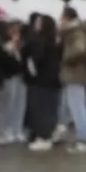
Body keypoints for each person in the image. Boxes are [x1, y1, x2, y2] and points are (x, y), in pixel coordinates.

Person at [22, 14, 61, 151]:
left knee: (39, 109)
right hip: (53, 80)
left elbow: (34, 61)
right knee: (50, 108)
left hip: (40, 81)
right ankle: (49, 133)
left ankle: (43, 137)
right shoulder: (54, 40)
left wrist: (31, 75)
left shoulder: (38, 40)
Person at [59, 7, 86, 153]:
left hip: (75, 75)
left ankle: (83, 139)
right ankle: (84, 135)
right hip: (76, 75)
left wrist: (66, 57)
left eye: (62, 18)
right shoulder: (77, 31)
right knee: (75, 107)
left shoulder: (75, 33)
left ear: (67, 18)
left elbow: (79, 50)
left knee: (77, 108)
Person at [0, 21, 27, 144]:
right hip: (5, 77)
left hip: (14, 76)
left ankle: (13, 130)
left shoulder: (17, 44)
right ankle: (0, 132)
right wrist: (8, 50)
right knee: (3, 106)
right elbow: (3, 60)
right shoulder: (2, 46)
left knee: (15, 105)